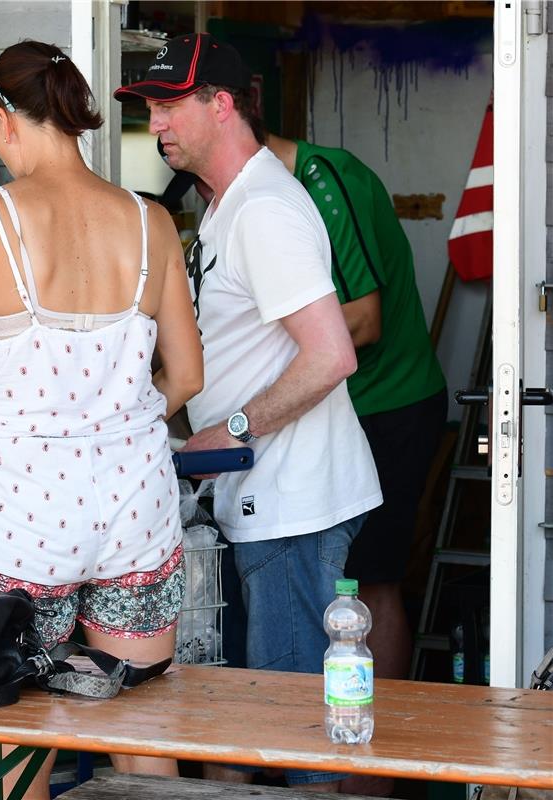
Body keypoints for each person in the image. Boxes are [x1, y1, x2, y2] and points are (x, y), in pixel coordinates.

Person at [0, 41, 203, 800]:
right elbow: (187, 376)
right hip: (136, 508)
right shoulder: (149, 221)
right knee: (140, 725)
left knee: (23, 740)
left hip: (26, 514)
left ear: (4, 120)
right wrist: (118, 415)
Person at [115, 34, 382, 792]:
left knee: (296, 727)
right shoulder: (228, 203)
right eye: (149, 109)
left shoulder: (263, 208)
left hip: (293, 505)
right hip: (262, 502)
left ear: (221, 104)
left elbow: (332, 355)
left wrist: (229, 431)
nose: (155, 124)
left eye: (169, 106)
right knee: (270, 717)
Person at [266, 132, 447, 796]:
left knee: (368, 589)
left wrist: (256, 347)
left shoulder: (321, 180)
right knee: (340, 589)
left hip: (387, 405)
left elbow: (362, 322)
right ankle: (343, 760)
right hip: (342, 410)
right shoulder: (268, 191)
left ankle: (376, 773)